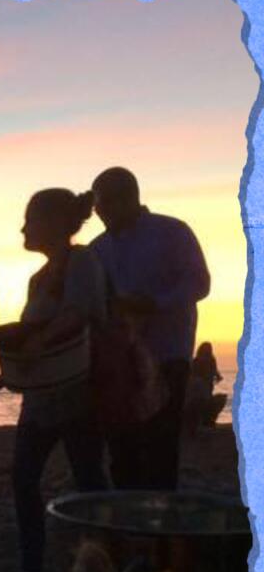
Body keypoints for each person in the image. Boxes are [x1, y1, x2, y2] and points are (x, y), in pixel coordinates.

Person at [0, 189, 108, 572]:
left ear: (53, 222)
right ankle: (32, 566)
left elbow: (81, 312)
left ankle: (103, 563)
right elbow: (36, 330)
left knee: (88, 479)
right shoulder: (39, 277)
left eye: (30, 219)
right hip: (43, 395)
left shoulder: (82, 260)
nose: (24, 227)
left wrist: (37, 344)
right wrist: (10, 372)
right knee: (25, 477)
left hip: (78, 392)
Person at [88, 167, 210, 490]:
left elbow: (199, 283)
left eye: (105, 204)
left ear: (129, 198)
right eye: (98, 207)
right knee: (121, 448)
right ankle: (130, 527)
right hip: (118, 362)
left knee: (160, 446)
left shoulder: (172, 232)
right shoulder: (97, 248)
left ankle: (159, 530)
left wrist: (154, 303)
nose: (100, 212)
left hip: (167, 354)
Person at [185, 341, 228, 433]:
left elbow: (216, 375)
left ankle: (206, 421)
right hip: (199, 391)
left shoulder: (208, 361)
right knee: (202, 401)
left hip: (203, 390)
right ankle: (203, 422)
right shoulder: (199, 362)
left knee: (215, 399)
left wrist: (215, 377)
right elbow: (215, 375)